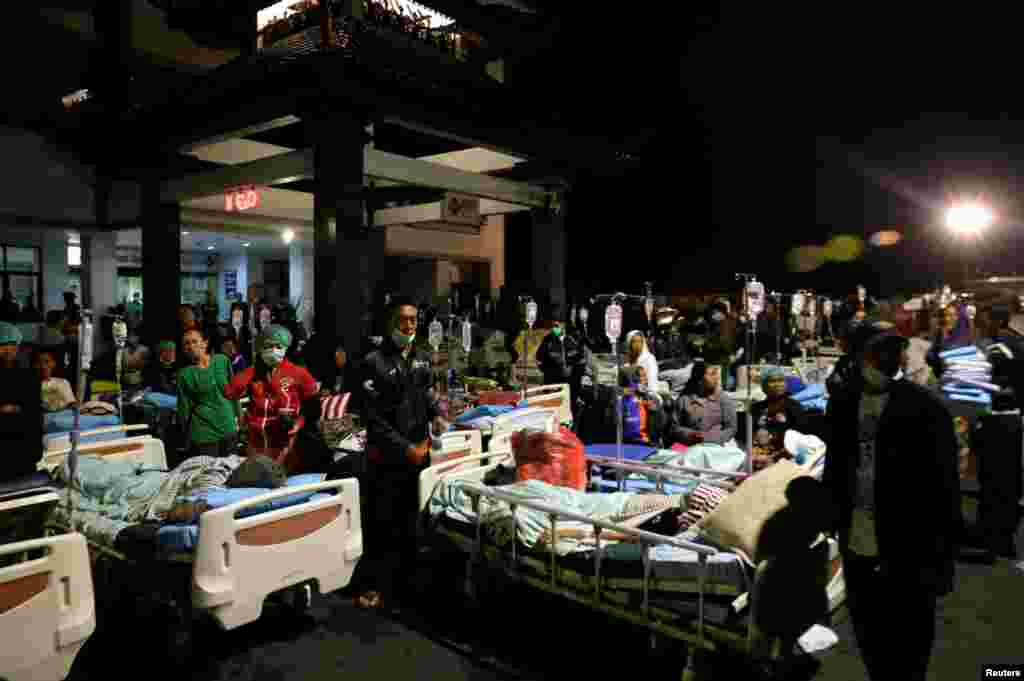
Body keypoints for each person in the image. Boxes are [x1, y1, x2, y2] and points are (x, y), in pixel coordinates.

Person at [823, 327, 961, 681]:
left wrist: (944, 560)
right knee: (870, 635)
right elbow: (835, 466)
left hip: (909, 547)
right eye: (875, 351)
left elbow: (945, 489)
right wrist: (831, 515)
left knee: (911, 641)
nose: (885, 358)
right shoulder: (842, 402)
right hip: (858, 542)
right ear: (858, 356)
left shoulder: (927, 409)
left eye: (893, 349)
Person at [356, 298, 447, 610]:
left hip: (419, 452)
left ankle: (406, 587)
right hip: (387, 456)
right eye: (403, 319)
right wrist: (404, 448)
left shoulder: (422, 358)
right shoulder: (373, 362)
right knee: (382, 523)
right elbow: (373, 419)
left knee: (411, 522)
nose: (409, 325)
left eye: (413, 320)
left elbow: (426, 392)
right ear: (390, 322)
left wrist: (436, 414)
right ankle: (375, 585)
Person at [224, 324, 318, 468]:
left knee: (284, 480)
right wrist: (252, 371)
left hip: (286, 440)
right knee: (259, 481)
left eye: (278, 346)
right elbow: (230, 392)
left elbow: (313, 407)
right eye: (268, 346)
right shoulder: (253, 373)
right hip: (256, 440)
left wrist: (299, 423)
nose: (273, 351)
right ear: (260, 348)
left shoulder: (298, 373)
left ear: (286, 348)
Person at [177, 327, 239, 458]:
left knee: (231, 470)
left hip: (228, 427)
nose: (191, 346)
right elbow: (184, 408)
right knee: (210, 475)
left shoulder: (222, 360)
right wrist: (185, 437)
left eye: (194, 341)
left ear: (205, 343)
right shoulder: (185, 374)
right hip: (203, 433)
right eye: (186, 343)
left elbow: (234, 393)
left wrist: (241, 420)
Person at [535, 311, 591, 422]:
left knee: (571, 410)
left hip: (571, 384)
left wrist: (574, 370)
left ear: (563, 325)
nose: (554, 328)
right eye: (553, 326)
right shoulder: (548, 340)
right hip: (553, 383)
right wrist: (550, 371)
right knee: (554, 410)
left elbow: (581, 358)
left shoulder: (573, 339)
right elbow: (539, 358)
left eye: (557, 326)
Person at [747, 366, 807, 468]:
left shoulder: (794, 407)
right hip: (757, 454)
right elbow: (749, 434)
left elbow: (799, 438)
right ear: (764, 386)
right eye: (772, 381)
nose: (777, 385)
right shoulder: (756, 408)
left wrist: (774, 455)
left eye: (781, 380)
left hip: (783, 455)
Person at [668, 361, 737, 446]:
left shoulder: (723, 399)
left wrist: (711, 439)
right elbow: (674, 427)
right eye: (712, 374)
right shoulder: (684, 400)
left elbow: (731, 428)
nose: (716, 378)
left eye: (716, 374)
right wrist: (689, 434)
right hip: (689, 446)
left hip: (717, 447)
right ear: (700, 379)